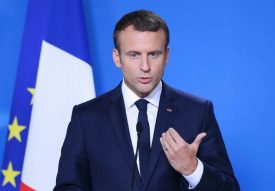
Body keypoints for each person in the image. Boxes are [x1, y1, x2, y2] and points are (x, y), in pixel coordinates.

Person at [54, 10, 239, 191]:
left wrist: (192, 168)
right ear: (117, 58)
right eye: (134, 55)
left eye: (153, 54)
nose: (145, 67)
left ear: (166, 55)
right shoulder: (86, 117)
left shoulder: (198, 112)